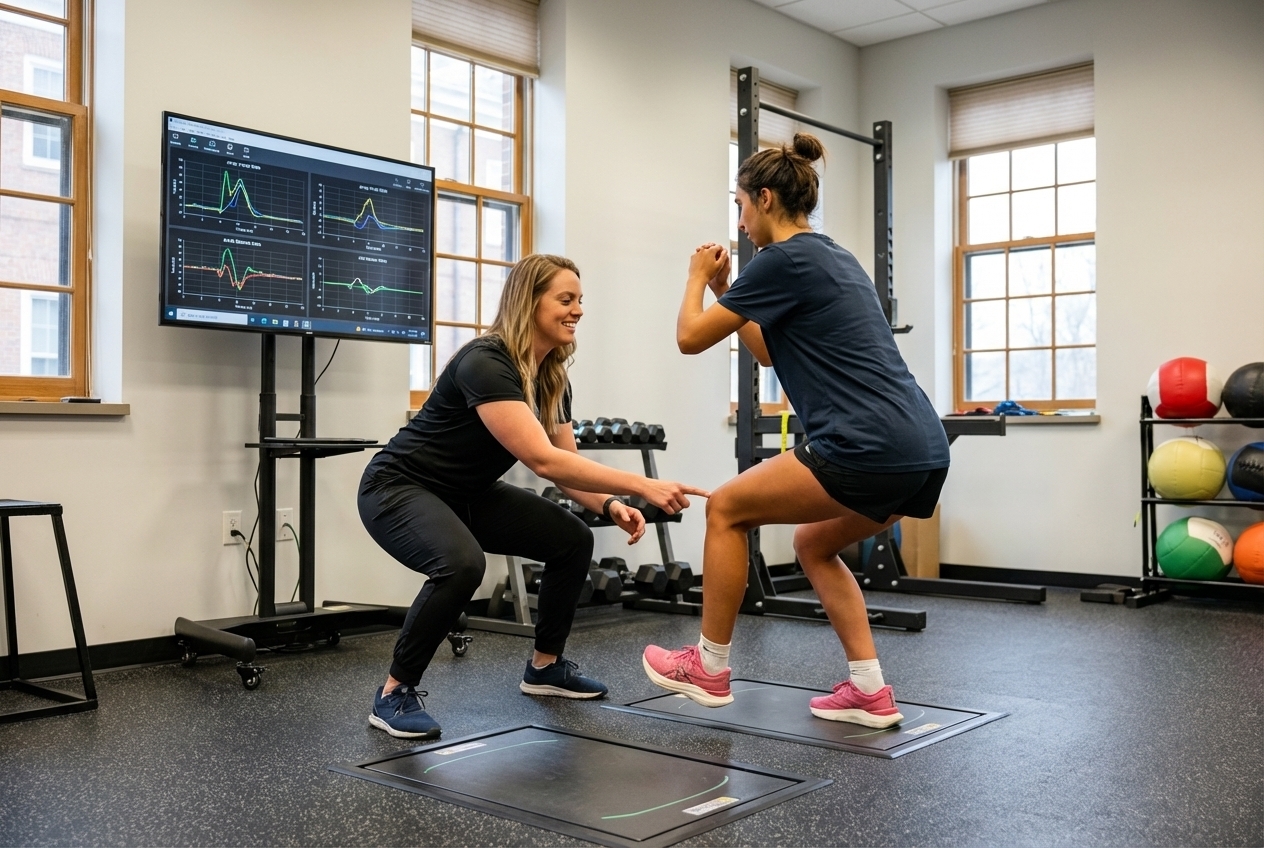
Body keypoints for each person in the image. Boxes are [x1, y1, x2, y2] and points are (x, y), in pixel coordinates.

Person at [642, 133, 950, 728]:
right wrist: (723, 290)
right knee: (814, 543)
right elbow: (763, 350)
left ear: (763, 198)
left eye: (739, 207)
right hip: (921, 448)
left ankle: (707, 666)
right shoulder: (831, 255)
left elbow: (688, 339)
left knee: (727, 508)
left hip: (866, 445)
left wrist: (692, 277)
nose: (740, 222)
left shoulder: (781, 260)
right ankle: (868, 690)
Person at [359, 253, 708, 739]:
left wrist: (608, 505)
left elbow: (566, 466)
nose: (578, 310)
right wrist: (644, 485)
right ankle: (394, 693)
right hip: (399, 487)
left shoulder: (550, 375)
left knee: (571, 538)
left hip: (468, 492)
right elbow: (542, 460)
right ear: (530, 303)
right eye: (565, 299)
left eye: (580, 300)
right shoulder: (485, 362)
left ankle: (545, 668)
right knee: (460, 565)